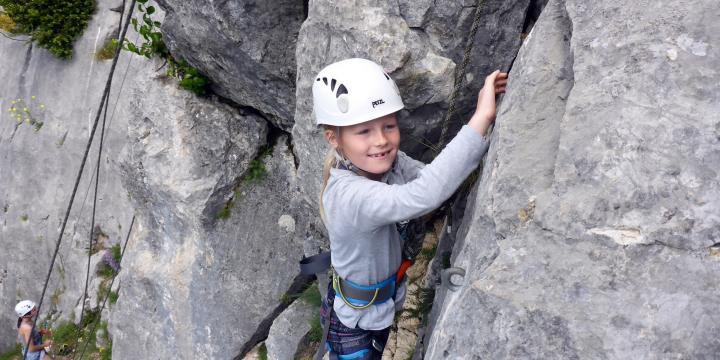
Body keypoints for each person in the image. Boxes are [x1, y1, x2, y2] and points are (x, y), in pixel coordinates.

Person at [313, 58, 507, 359]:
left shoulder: (389, 163)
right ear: (334, 139)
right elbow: (425, 193)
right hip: (356, 327)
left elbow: (429, 178)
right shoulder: (351, 195)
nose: (381, 140)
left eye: (389, 125)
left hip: (379, 309)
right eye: (363, 131)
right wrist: (480, 118)